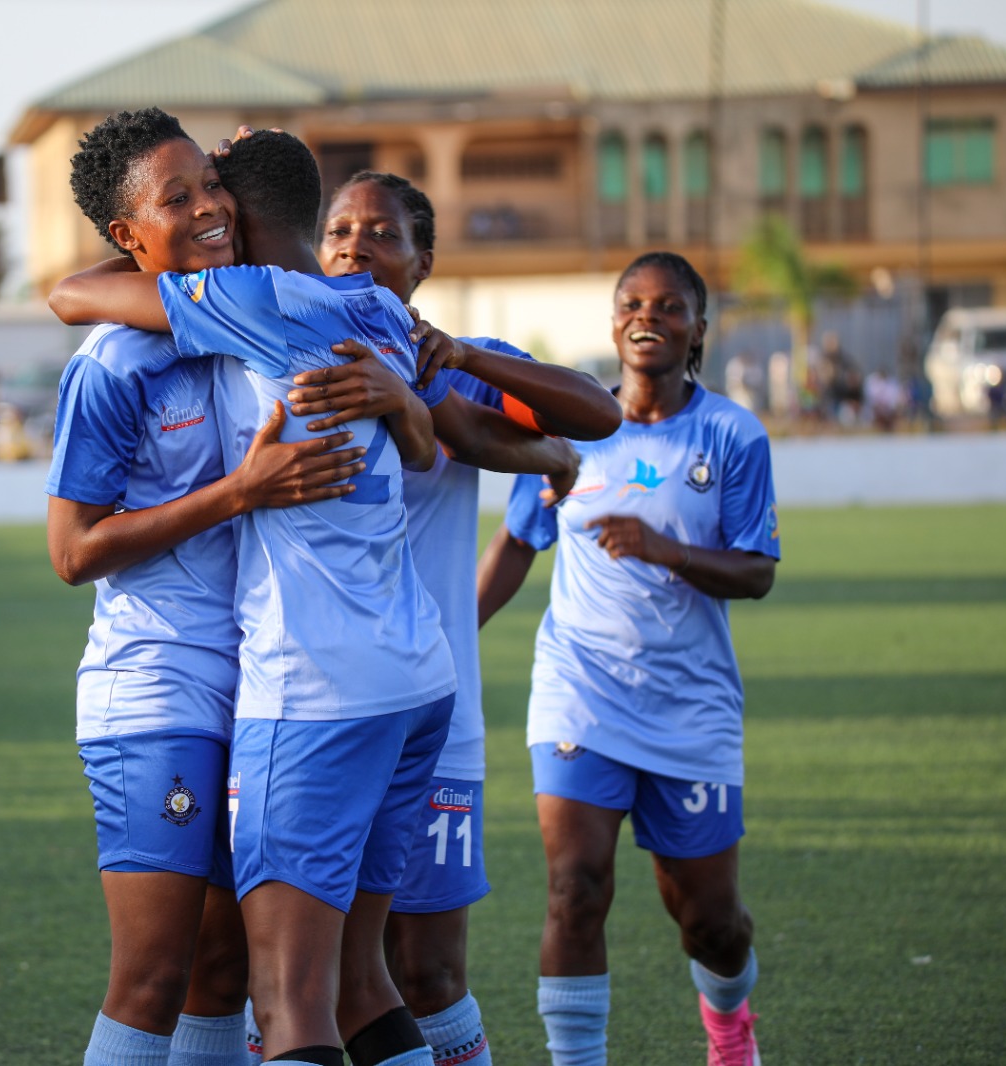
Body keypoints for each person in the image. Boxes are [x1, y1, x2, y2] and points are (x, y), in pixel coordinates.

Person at [52, 127, 464, 1066]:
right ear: (128, 231)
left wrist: (406, 407)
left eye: (211, 189)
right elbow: (71, 551)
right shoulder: (121, 360)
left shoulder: (243, 310)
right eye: (180, 198)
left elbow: (66, 289)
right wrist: (248, 487)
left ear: (241, 208)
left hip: (293, 687)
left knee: (259, 978)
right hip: (164, 686)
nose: (203, 209)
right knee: (172, 976)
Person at [282, 167, 620, 1066]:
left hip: (435, 713)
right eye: (339, 231)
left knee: (426, 973)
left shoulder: (451, 359)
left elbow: (598, 413)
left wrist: (463, 365)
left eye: (382, 233)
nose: (355, 245)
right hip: (306, 704)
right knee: (294, 975)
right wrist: (531, 450)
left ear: (423, 260)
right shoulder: (283, 349)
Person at [477, 252, 780, 1066]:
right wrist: (448, 637)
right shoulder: (566, 428)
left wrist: (661, 549)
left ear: (698, 331)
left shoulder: (731, 435)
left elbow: (757, 571)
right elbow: (515, 544)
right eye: (632, 303)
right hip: (581, 692)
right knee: (576, 887)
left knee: (710, 923)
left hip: (692, 708)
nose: (649, 317)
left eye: (671, 307)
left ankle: (729, 1025)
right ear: (613, 323)